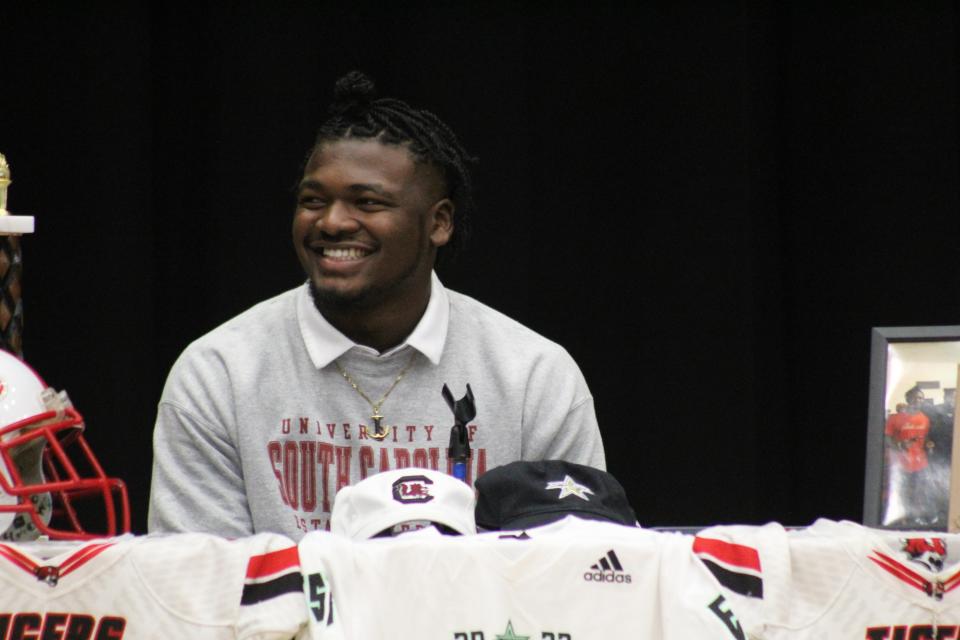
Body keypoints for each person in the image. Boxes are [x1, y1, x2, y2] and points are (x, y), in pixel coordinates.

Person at [148, 71, 605, 539]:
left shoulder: (534, 377)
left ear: (439, 222)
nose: (331, 222)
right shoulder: (218, 374)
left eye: (367, 202)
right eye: (312, 200)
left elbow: (573, 575)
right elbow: (200, 586)